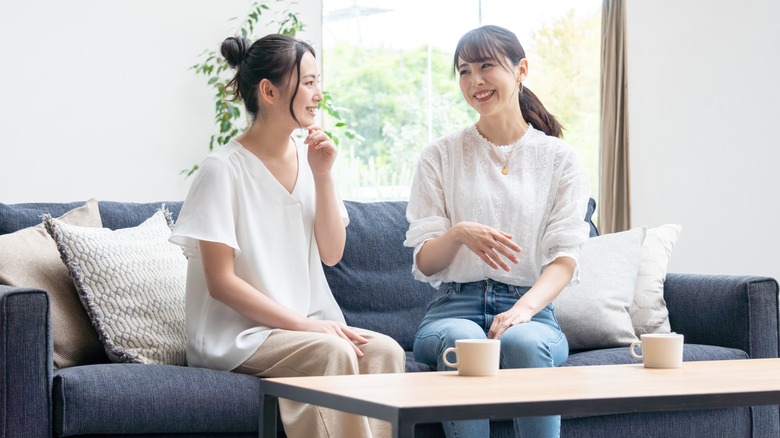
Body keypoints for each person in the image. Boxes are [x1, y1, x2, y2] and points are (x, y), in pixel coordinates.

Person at [170, 33, 405, 438]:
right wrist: (306, 327)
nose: (319, 93)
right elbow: (221, 283)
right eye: (309, 82)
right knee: (332, 351)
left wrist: (323, 174)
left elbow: (332, 253)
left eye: (318, 81)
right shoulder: (222, 169)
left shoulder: (310, 158)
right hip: (237, 335)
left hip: (302, 324)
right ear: (269, 91)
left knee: (386, 350)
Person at [404, 25, 591, 438]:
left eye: (487, 66)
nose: (475, 81)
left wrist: (522, 310)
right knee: (465, 338)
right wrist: (458, 234)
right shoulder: (440, 155)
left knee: (521, 342)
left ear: (521, 69)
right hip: (453, 309)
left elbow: (565, 259)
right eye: (464, 71)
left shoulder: (560, 159)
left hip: (532, 312)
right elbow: (423, 261)